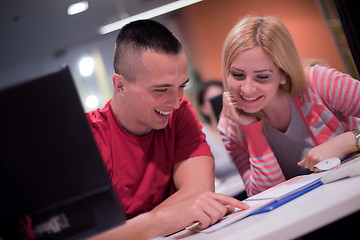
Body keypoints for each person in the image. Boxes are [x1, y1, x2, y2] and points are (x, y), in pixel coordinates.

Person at [86, 19, 248, 239]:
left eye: (181, 86)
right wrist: (160, 221)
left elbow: (200, 193)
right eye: (161, 90)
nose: (175, 102)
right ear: (120, 86)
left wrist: (132, 230)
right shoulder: (88, 138)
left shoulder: (180, 112)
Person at [218, 15, 360, 197]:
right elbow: (266, 196)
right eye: (238, 75)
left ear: (283, 74)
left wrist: (350, 140)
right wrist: (251, 129)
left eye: (262, 77)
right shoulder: (230, 125)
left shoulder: (320, 83)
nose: (247, 89)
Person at [197, 80, 246, 199]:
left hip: (253, 185)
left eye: (221, 97)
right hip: (229, 194)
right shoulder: (201, 136)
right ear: (203, 108)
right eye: (213, 100)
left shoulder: (242, 123)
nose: (219, 103)